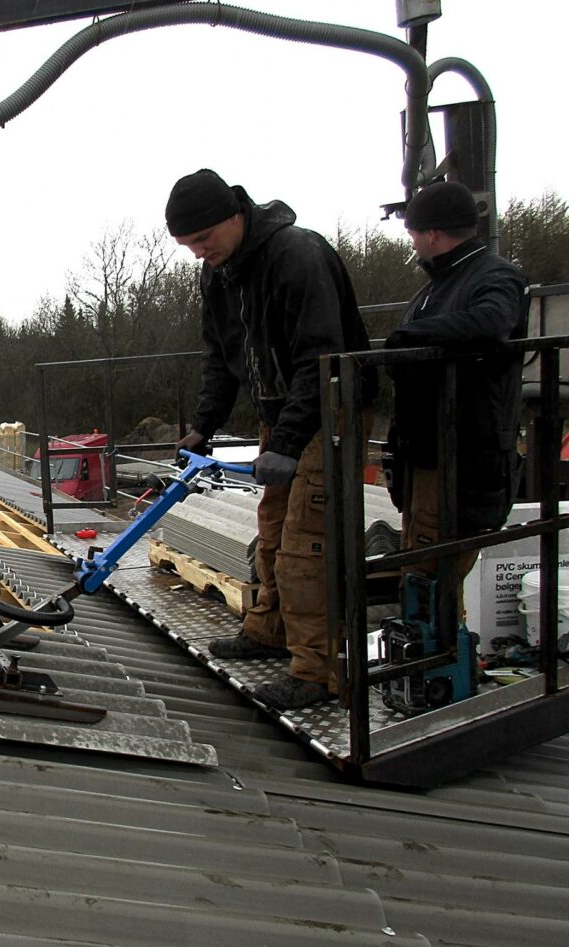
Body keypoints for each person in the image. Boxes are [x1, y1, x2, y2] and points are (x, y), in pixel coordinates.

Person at [165, 169, 377, 710]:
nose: (197, 253)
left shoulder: (295, 255)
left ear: (234, 217)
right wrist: (203, 424)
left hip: (329, 410)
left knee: (308, 542)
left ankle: (318, 672)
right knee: (273, 528)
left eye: (202, 240)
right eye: (188, 245)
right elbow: (220, 356)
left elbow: (321, 358)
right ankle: (269, 630)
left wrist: (285, 442)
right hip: (280, 412)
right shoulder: (220, 274)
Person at [385, 180, 528, 617]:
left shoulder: (495, 276)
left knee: (431, 573)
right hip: (427, 451)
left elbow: (493, 321)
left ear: (431, 234)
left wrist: (412, 338)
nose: (412, 243)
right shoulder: (437, 286)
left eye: (413, 234)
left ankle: (440, 667)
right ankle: (437, 665)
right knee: (422, 567)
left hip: (461, 452)